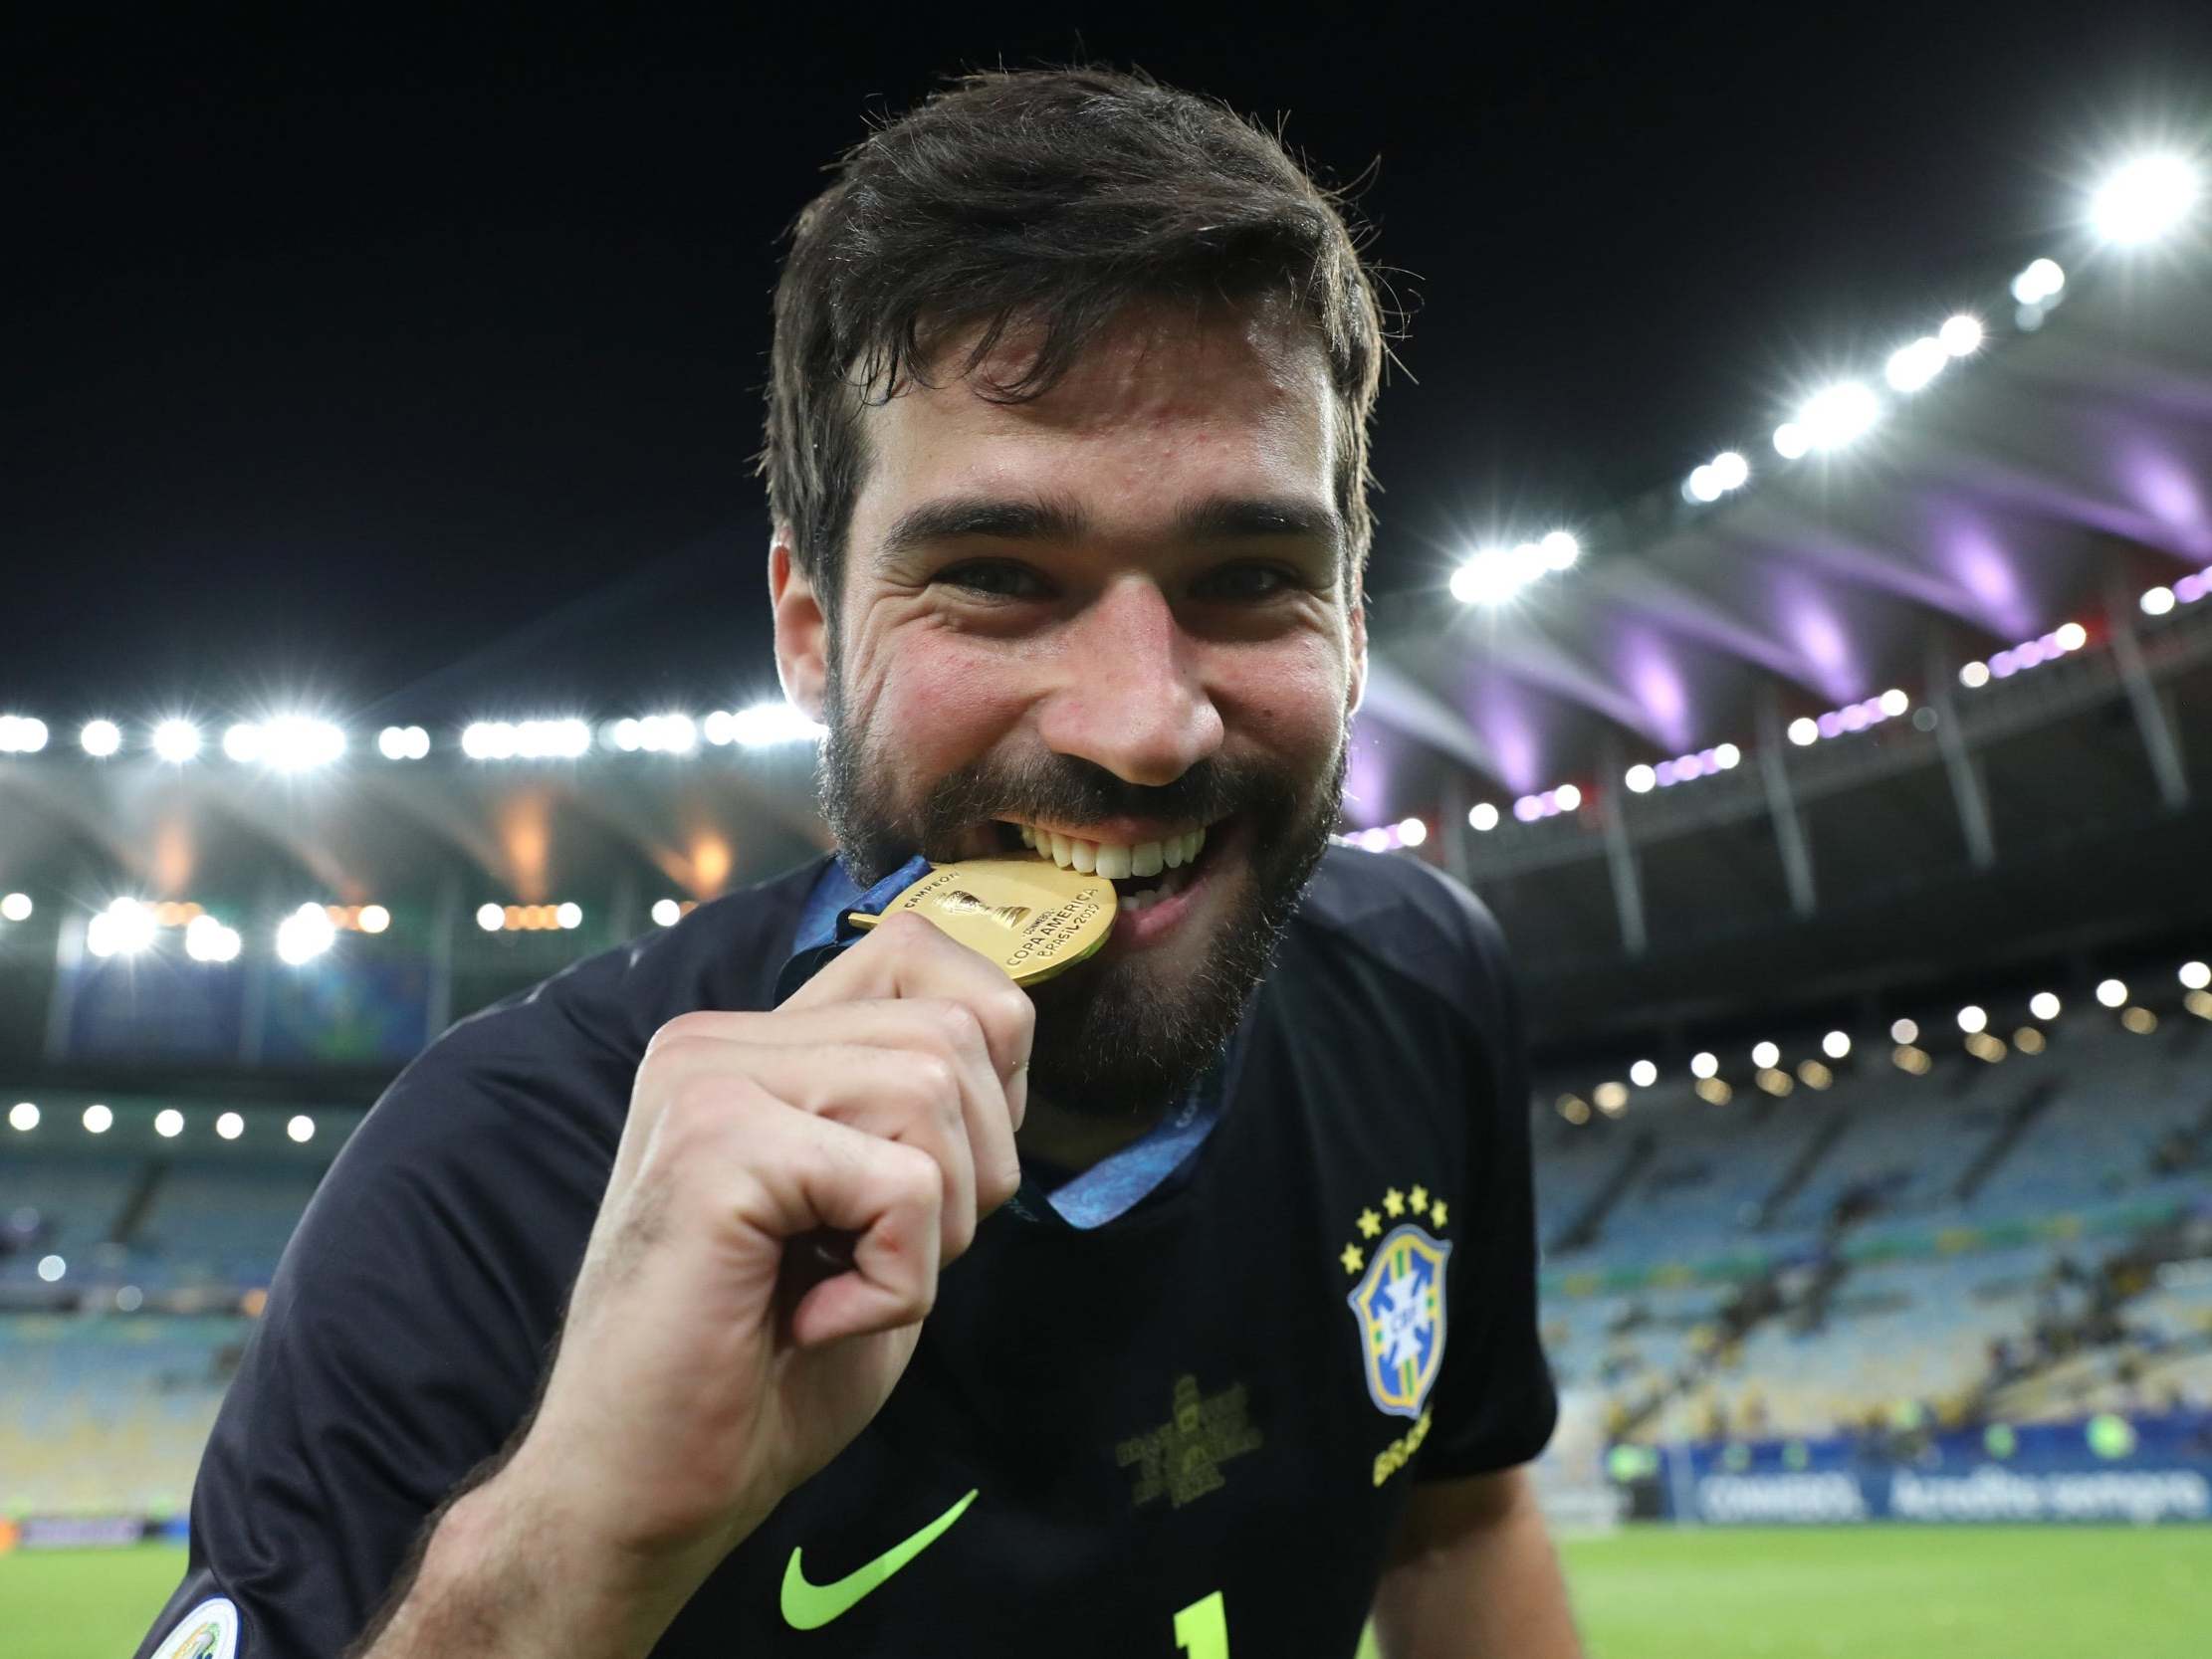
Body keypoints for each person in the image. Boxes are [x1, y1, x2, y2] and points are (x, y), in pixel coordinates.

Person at [134, 63, 1577, 1659]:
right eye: (997, 577)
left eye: (1248, 576)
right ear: (809, 634)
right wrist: (576, 1544)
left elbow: (1460, 1522)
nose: (1142, 727)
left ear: (1353, 629)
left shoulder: (1423, 989)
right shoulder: (495, 1182)